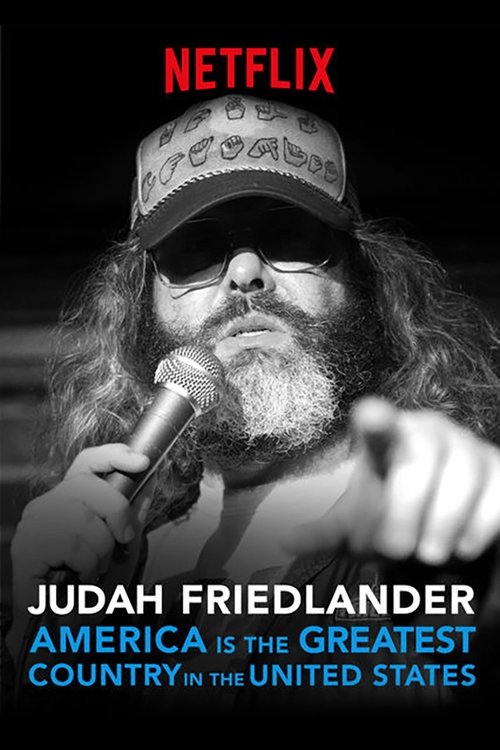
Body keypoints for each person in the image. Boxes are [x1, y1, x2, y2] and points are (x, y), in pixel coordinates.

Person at [5, 94, 500, 717]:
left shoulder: (448, 523)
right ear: (141, 306)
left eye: (289, 234)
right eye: (195, 247)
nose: (244, 273)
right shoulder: (111, 563)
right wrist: (40, 636)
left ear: (364, 280)